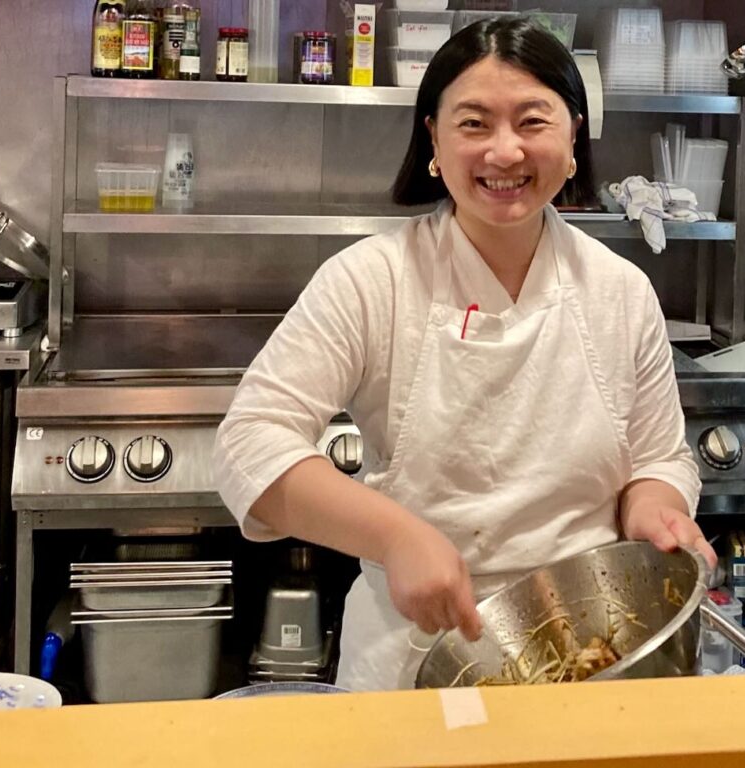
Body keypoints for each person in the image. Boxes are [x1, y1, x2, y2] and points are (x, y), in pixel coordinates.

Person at [212, 17, 718, 692]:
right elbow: (249, 442)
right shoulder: (372, 278)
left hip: (593, 652)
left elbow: (658, 455)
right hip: (420, 658)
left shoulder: (620, 290)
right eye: (474, 123)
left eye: (532, 122)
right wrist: (396, 537)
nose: (505, 152)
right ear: (434, 141)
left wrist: (654, 509)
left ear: (573, 140)